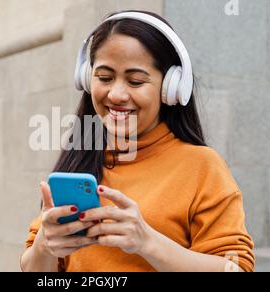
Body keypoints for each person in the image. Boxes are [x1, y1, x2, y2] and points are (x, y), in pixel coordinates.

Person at [20, 10, 255, 272]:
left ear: (171, 88)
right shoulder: (78, 160)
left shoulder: (202, 166)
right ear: (87, 79)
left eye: (135, 81)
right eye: (105, 78)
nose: (117, 94)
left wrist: (147, 242)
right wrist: (45, 245)